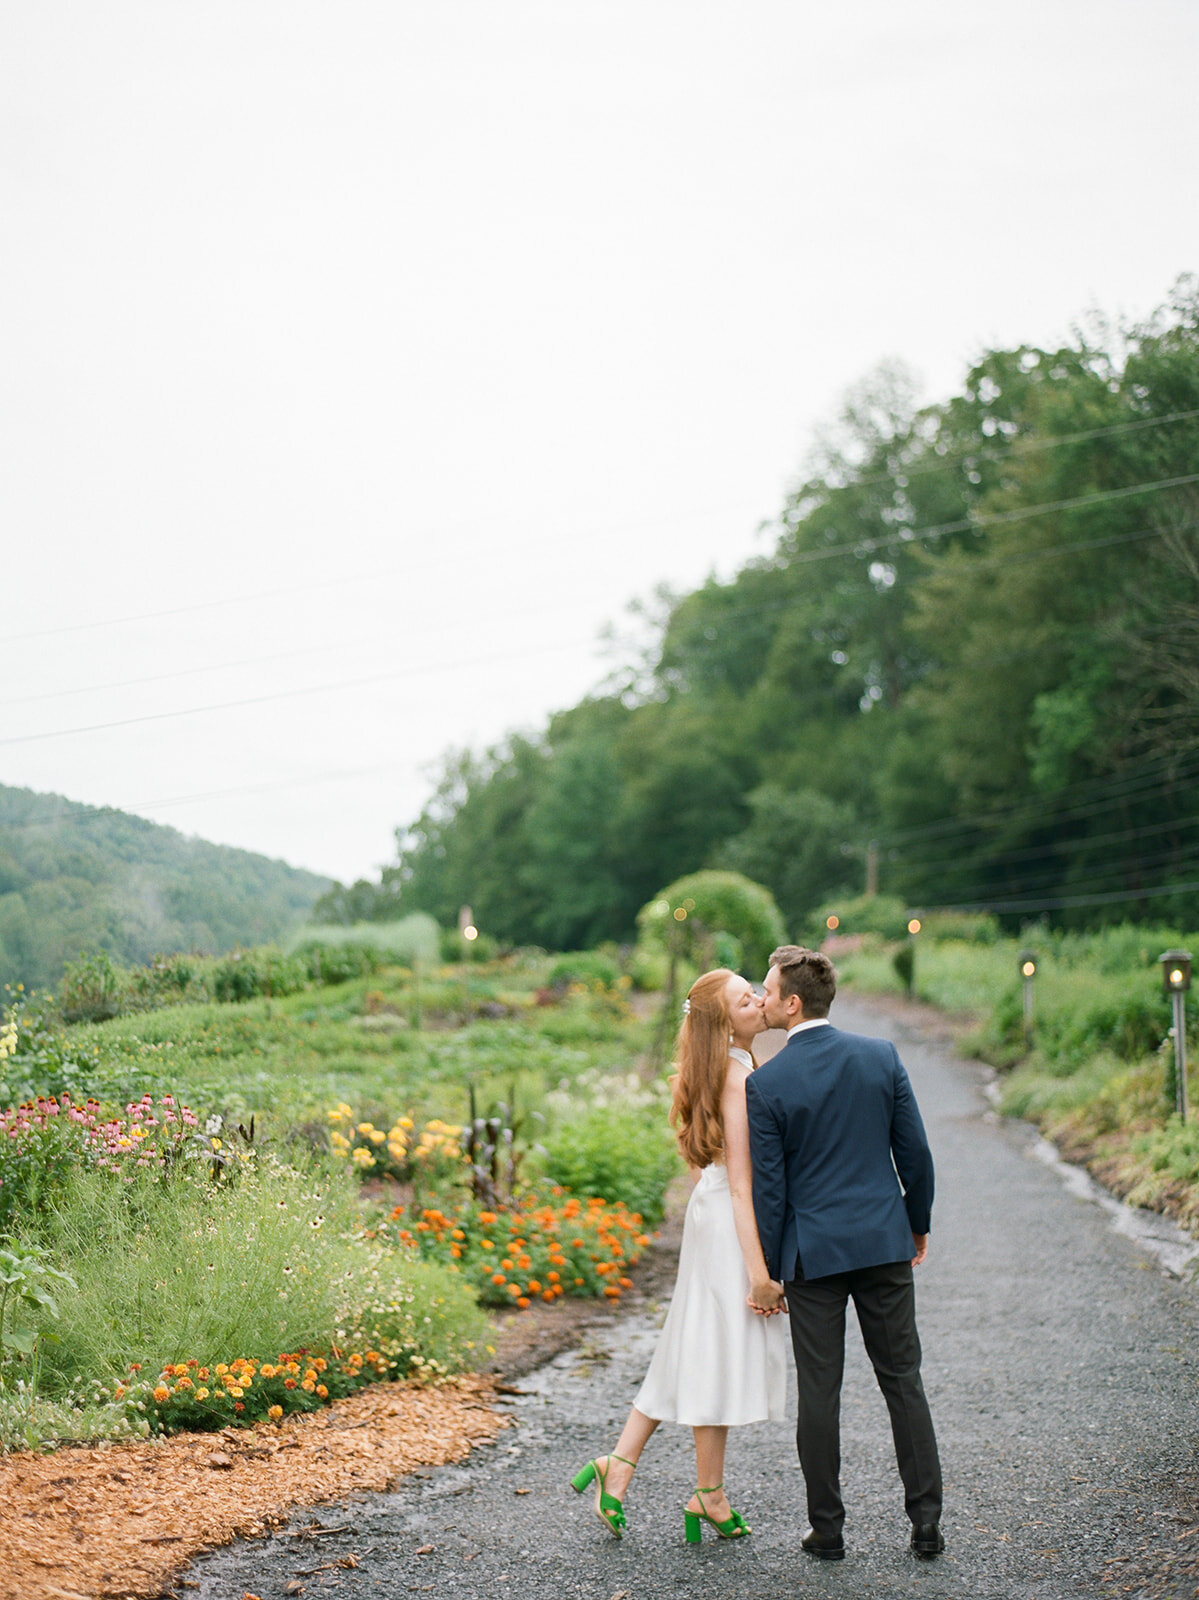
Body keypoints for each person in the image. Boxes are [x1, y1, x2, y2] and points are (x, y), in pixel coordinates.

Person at [570, 968, 790, 1543]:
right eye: (748, 999)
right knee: (706, 1349)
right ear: (726, 1023)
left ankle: (639, 1471)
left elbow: (705, 1168)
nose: (760, 1000)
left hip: (709, 1211)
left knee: (697, 1347)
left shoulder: (712, 1069)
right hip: (728, 1222)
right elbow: (742, 1184)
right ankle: (692, 1488)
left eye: (756, 991)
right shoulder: (737, 1078)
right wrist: (762, 1275)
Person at [745, 944, 944, 1562]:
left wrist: (775, 1272)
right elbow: (915, 1155)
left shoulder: (767, 1082)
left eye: (770, 991)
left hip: (814, 1259)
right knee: (903, 1381)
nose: (764, 999)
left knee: (820, 1392)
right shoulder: (879, 1057)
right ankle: (927, 1523)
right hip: (884, 1243)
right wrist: (916, 1226)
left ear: (793, 1003)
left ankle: (827, 1531)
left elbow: (771, 1191)